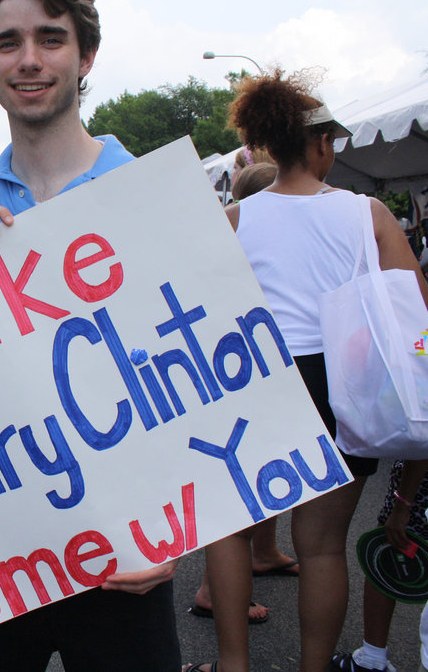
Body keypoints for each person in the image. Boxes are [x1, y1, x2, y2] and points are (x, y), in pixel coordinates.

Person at [0, 0, 180, 669]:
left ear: (85, 54)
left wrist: (183, 530)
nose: (29, 59)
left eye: (50, 38)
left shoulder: (145, 189)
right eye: (8, 43)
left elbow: (197, 369)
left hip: (126, 544)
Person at [185, 70, 428, 672]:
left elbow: (202, 311)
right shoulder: (364, 212)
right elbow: (420, 311)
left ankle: (234, 664)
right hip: (341, 385)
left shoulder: (236, 218)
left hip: (256, 380)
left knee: (233, 529)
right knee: (322, 548)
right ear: (320, 144)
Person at [188, 161, 292, 629]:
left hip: (234, 364)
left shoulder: (230, 228)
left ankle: (259, 556)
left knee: (252, 480)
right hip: (242, 369)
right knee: (238, 488)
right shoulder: (241, 229)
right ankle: (215, 590)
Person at [329, 459, 428, 672]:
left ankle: (372, 658)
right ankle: (372, 657)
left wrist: (402, 504)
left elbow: (423, 439)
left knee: (390, 544)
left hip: (424, 470)